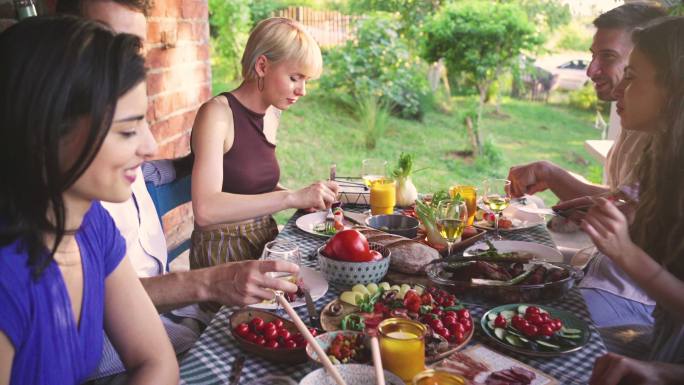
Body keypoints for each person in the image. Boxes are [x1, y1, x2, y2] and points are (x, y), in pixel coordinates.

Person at [54, 0, 303, 381]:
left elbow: (152, 355)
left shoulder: (97, 221)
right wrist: (210, 281)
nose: (150, 145)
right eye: (105, 43)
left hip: (152, 317)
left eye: (134, 49)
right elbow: (98, 311)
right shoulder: (49, 237)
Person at [0, 16, 178, 385]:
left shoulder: (88, 224)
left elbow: (156, 360)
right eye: (128, 130)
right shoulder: (7, 281)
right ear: (46, 134)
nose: (150, 147)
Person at [506, 3, 667, 329]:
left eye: (608, 56)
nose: (591, 70)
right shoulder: (640, 125)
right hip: (599, 271)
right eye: (592, 55)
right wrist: (553, 175)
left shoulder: (656, 132)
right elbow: (630, 199)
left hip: (630, 299)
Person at [189, 17, 338, 268]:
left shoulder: (272, 114)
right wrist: (289, 198)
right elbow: (205, 210)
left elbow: (250, 183)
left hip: (264, 241)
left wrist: (306, 198)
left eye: (306, 80)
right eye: (294, 78)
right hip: (223, 256)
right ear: (262, 66)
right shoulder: (217, 115)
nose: (303, 90)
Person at [582, 16, 684, 364]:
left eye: (632, 76)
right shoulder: (663, 157)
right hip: (661, 349)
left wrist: (626, 251)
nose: (619, 89)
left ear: (674, 89)